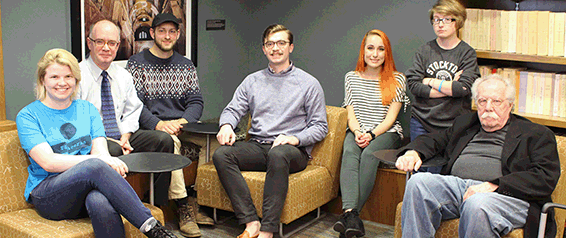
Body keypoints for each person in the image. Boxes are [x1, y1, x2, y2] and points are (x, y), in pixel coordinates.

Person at [16, 48, 176, 238]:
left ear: (76, 79)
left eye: (68, 76)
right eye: (54, 77)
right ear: (43, 80)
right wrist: (99, 162)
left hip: (85, 188)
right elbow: (48, 162)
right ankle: (153, 229)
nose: (62, 83)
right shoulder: (28, 116)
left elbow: (101, 151)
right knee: (94, 165)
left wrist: (102, 161)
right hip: (49, 193)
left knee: (99, 200)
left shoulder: (87, 109)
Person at [395, 74, 560, 238]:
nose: (488, 107)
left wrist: (494, 185)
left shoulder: (536, 133)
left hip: (506, 197)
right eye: (482, 101)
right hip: (459, 188)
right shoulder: (465, 124)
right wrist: (413, 152)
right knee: (417, 182)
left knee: (477, 203)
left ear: (510, 105)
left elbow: (545, 177)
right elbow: (434, 139)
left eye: (496, 101)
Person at [212, 24, 328, 238]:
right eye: (270, 44)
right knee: (221, 154)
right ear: (264, 49)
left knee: (278, 153)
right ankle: (251, 222)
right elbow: (232, 109)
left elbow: (320, 127)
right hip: (258, 146)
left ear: (291, 47)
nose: (276, 48)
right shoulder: (252, 81)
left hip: (292, 151)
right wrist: (226, 124)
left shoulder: (308, 83)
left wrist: (295, 138)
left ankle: (268, 230)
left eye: (281, 43)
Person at [77, 19, 184, 223]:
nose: (106, 48)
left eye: (112, 43)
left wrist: (125, 136)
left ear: (118, 46)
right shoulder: (77, 76)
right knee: (113, 151)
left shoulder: (123, 75)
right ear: (89, 43)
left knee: (164, 140)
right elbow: (79, 123)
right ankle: (117, 206)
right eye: (100, 42)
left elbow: (133, 110)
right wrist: (114, 142)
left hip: (122, 135)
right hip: (93, 140)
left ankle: (158, 206)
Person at [127, 13, 212, 237]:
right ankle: (183, 205)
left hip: (183, 124)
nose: (167, 36)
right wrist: (158, 124)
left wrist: (182, 122)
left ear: (178, 34)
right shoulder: (136, 64)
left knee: (215, 140)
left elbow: (196, 101)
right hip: (153, 128)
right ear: (153, 33)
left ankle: (199, 201)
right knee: (171, 141)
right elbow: (135, 105)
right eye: (162, 31)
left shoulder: (186, 65)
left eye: (172, 31)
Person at [333, 29, 408, 238]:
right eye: (370, 48)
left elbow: (391, 118)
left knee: (369, 154)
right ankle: (352, 217)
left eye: (380, 49)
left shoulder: (398, 79)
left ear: (387, 53)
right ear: (363, 51)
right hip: (358, 130)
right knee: (349, 152)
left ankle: (349, 215)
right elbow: (350, 112)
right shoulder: (351, 77)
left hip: (386, 133)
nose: (375, 54)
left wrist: (372, 135)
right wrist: (357, 132)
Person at [405, 0, 480, 173]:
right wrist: (449, 87)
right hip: (422, 122)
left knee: (442, 174)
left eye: (447, 19)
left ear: (458, 22)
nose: (440, 24)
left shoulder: (466, 53)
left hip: (452, 125)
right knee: (419, 172)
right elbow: (414, 86)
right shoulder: (424, 51)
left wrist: (430, 81)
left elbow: (463, 89)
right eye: (436, 19)